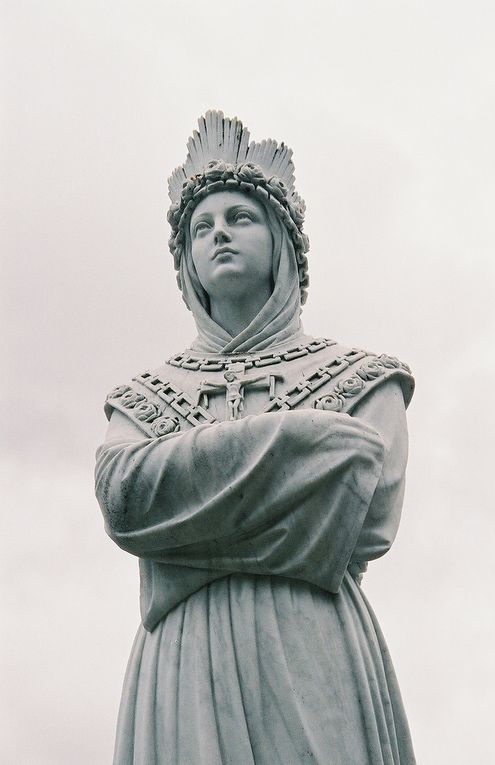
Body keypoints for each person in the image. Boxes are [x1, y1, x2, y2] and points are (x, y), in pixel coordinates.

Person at [95, 111, 416, 764]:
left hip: (312, 651)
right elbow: (125, 501)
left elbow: (368, 517)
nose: (219, 233)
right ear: (185, 260)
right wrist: (307, 448)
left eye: (239, 217)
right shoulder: (142, 396)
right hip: (182, 667)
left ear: (280, 242)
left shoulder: (365, 379)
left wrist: (184, 530)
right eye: (202, 227)